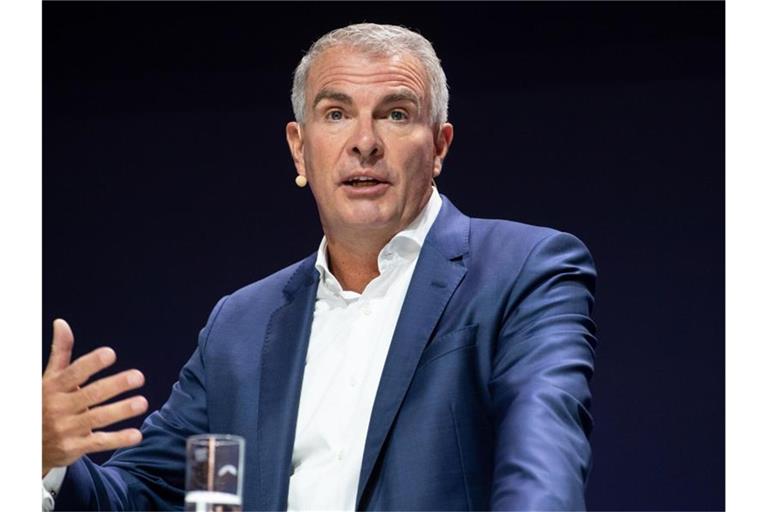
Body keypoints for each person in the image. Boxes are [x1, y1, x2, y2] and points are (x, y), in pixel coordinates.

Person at [42, 23, 597, 511]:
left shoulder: (524, 271)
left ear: (439, 146)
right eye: (336, 114)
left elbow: (543, 468)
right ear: (299, 148)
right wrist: (44, 458)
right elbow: (138, 496)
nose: (364, 143)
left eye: (396, 114)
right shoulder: (240, 326)